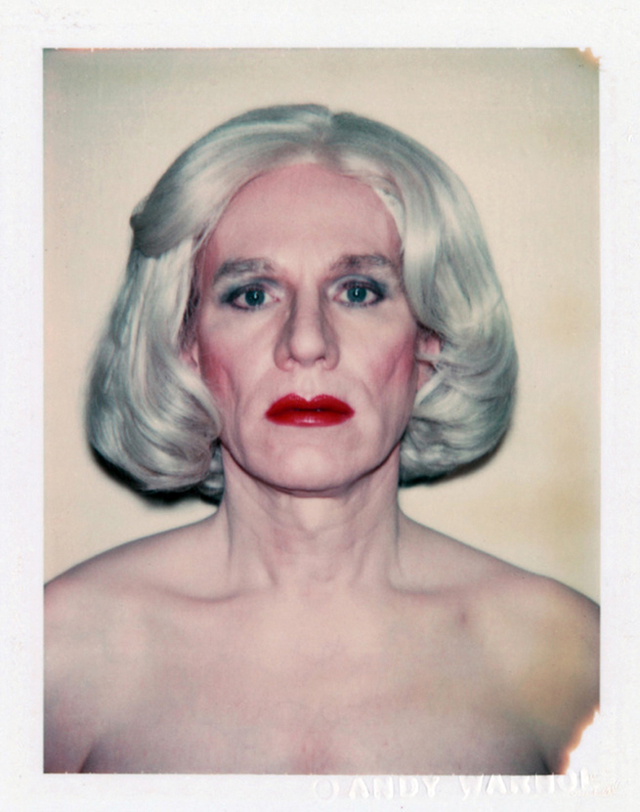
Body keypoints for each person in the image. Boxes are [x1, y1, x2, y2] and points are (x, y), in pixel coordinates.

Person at [44, 104, 598, 774]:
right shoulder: (52, 655)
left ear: (430, 342)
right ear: (186, 346)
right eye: (252, 295)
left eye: (358, 292)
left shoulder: (576, 662)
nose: (306, 342)